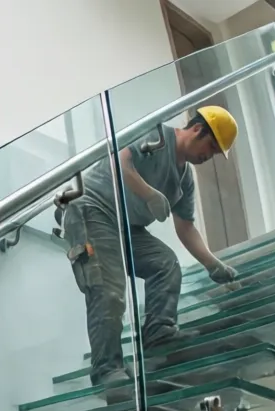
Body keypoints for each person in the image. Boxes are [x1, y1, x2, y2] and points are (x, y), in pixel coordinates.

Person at [59, 106, 240, 387]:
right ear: (197, 129)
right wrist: (149, 193)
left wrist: (212, 264)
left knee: (165, 263)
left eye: (216, 153)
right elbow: (120, 160)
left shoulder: (184, 179)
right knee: (109, 291)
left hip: (127, 228)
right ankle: (107, 371)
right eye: (212, 147)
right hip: (93, 209)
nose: (209, 156)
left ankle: (159, 335)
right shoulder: (156, 135)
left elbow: (186, 227)